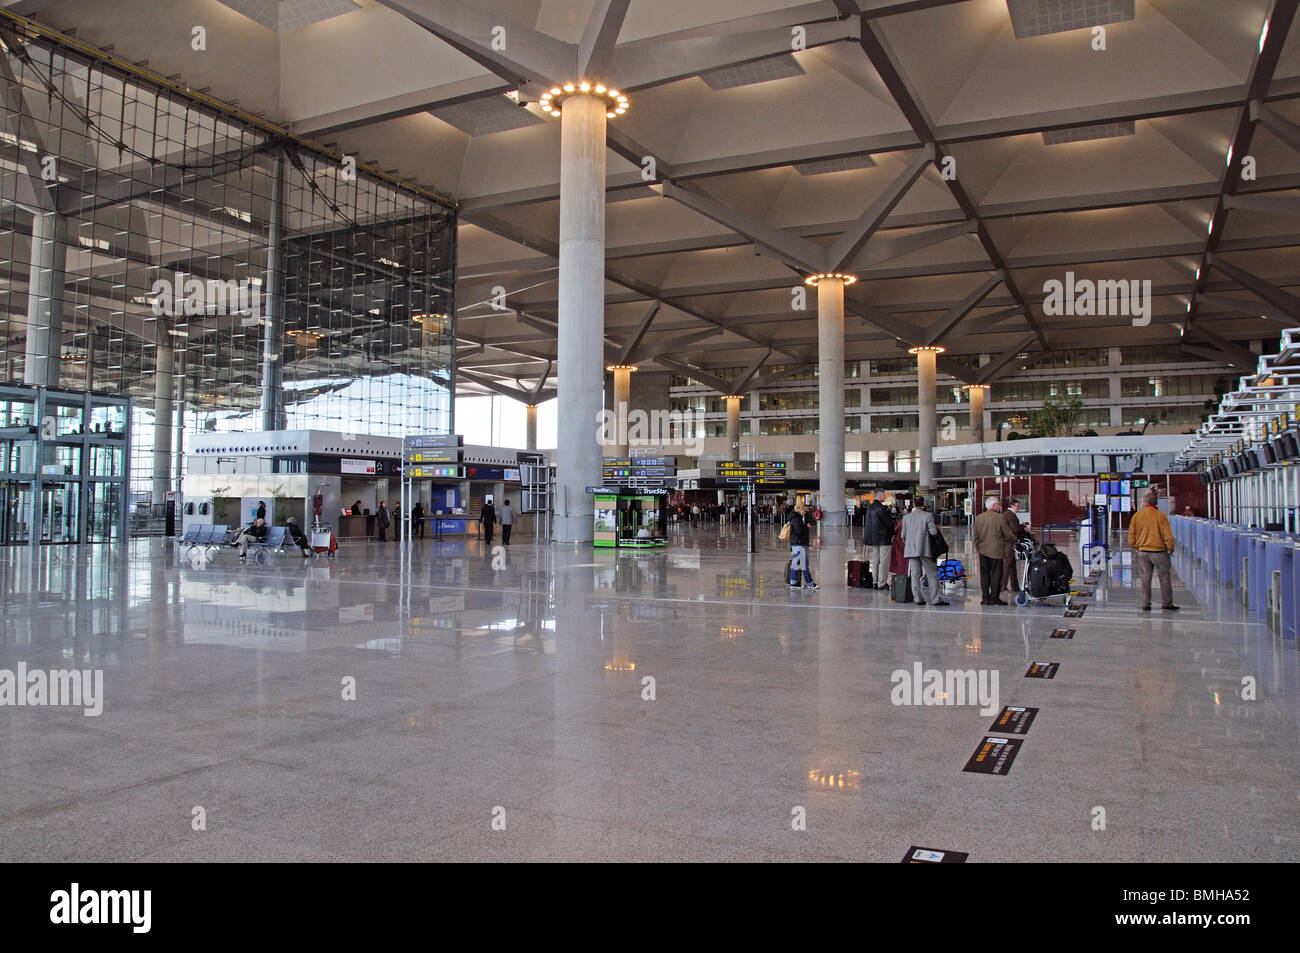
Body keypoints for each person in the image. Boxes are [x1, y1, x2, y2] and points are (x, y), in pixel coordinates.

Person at [1129, 490, 1179, 611]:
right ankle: (1167, 603)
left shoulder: (1137, 516)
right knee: (1164, 577)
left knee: (1145, 578)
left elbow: (1131, 535)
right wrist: (1170, 549)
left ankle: (1146, 603)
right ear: (1156, 503)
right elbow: (1168, 536)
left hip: (1143, 552)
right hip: (1159, 552)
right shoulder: (1161, 516)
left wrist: (1136, 547)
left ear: (1145, 503)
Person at [900, 496, 948, 607]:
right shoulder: (928, 516)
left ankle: (918, 598)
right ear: (923, 504)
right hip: (925, 550)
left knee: (915, 575)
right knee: (932, 574)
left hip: (911, 550)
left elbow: (903, 535)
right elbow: (933, 532)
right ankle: (935, 599)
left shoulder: (906, 517)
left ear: (913, 504)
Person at [973, 497, 1017, 606]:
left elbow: (975, 536)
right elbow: (1008, 534)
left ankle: (985, 598)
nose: (1000, 506)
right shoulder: (1000, 518)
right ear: (993, 506)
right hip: (996, 551)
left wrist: (978, 547)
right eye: (998, 504)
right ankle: (994, 598)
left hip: (983, 551)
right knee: (996, 575)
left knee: (984, 575)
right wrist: (1014, 538)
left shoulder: (979, 518)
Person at [863, 490, 896, 591]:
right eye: (884, 495)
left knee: (876, 561)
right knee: (884, 561)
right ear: (880, 496)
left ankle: (875, 581)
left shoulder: (870, 508)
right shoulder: (881, 508)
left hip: (873, 539)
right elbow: (889, 523)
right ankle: (882, 583)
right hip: (883, 538)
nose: (885, 497)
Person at [787, 501, 818, 590]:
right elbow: (799, 531)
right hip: (798, 543)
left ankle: (795, 582)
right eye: (804, 510)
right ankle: (809, 583)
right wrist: (806, 527)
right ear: (800, 509)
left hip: (797, 543)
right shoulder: (797, 519)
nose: (805, 512)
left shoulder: (796, 517)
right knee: (803, 565)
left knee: (798, 564)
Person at [1002, 498, 1026, 593]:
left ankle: (1014, 586)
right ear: (1012, 506)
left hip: (1006, 541)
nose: (1018, 508)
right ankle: (1002, 586)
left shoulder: (1006, 514)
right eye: (1017, 506)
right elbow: (1015, 529)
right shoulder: (1011, 515)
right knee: (1008, 564)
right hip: (1009, 542)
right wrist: (1023, 527)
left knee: (1011, 564)